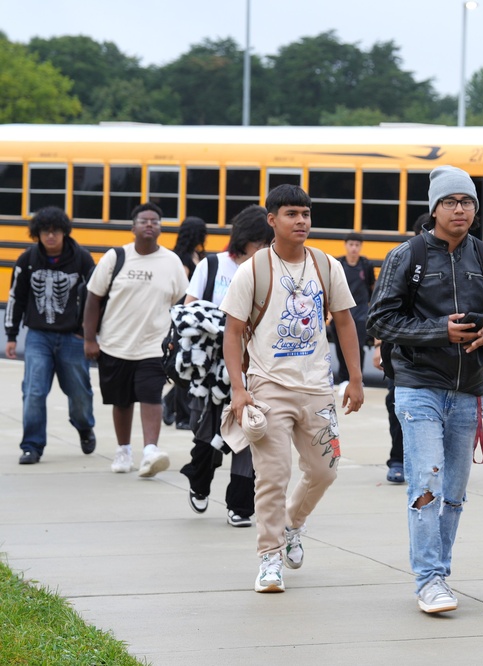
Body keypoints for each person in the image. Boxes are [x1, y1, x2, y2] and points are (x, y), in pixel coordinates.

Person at [368, 166, 483, 615]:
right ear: (434, 208)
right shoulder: (408, 256)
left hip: (470, 389)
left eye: (467, 202)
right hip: (418, 388)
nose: (460, 210)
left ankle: (440, 574)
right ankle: (428, 580)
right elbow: (379, 320)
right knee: (426, 483)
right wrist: (438, 332)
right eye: (450, 202)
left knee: (454, 491)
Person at [220, 184, 364, 593]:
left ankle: (292, 524)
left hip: (318, 389)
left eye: (305, 214)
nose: (301, 221)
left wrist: (354, 378)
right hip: (269, 389)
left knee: (326, 470)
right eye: (291, 214)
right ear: (272, 220)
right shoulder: (254, 270)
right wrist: (238, 388)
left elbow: (345, 321)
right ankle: (269, 558)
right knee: (272, 475)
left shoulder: (326, 265)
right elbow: (232, 332)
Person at [179, 205, 273, 527]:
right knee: (205, 434)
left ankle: (240, 506)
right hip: (210, 371)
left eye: (267, 244)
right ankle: (199, 481)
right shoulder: (213, 266)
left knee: (248, 436)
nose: (263, 250)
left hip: (253, 369)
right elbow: (188, 312)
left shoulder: (269, 272)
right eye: (259, 243)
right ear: (243, 240)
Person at [83, 202, 189, 476]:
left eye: (155, 220)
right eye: (144, 220)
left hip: (154, 346)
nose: (149, 224)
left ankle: (150, 451)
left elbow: (182, 304)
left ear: (160, 228)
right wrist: (90, 339)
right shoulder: (115, 257)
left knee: (151, 395)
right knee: (122, 401)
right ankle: (123, 450)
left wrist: (177, 341)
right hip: (115, 343)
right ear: (133, 227)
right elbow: (93, 298)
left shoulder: (172, 262)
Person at [6, 207, 96, 464]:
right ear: (38, 234)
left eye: (55, 231)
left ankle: (84, 426)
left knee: (79, 392)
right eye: (45, 231)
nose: (51, 236)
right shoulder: (27, 260)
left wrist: (90, 334)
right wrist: (11, 335)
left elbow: (96, 297)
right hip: (38, 336)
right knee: (34, 391)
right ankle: (31, 445)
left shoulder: (82, 259)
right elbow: (17, 298)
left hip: (72, 337)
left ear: (64, 232)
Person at [374, 214, 431, 485]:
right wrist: (377, 347)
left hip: (437, 351)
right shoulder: (401, 258)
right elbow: (381, 309)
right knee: (398, 404)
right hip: (400, 349)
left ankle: (428, 462)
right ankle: (398, 459)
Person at [163, 216, 207, 430]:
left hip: (199, 315)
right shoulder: (181, 257)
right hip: (184, 316)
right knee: (184, 363)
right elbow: (184, 288)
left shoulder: (197, 255)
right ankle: (181, 414)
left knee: (193, 364)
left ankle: (169, 402)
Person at [332, 232, 374, 383]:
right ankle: (344, 379)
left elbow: (371, 287)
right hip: (340, 312)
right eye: (351, 245)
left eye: (357, 245)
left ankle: (357, 378)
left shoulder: (366, 265)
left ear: (361, 247)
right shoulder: (338, 264)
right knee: (340, 348)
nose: (354, 248)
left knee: (358, 348)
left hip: (361, 313)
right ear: (346, 245)